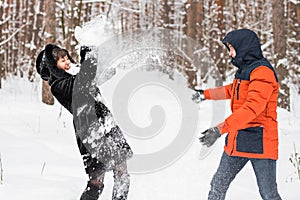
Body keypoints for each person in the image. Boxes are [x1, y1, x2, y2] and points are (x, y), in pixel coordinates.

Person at [192, 29, 282, 200]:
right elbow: (232, 90)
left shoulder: (263, 72)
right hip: (239, 139)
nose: (230, 54)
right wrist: (205, 94)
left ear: (244, 47)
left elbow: (251, 109)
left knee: (268, 194)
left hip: (261, 142)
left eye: (232, 48)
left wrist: (219, 130)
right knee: (218, 185)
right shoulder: (245, 71)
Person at [36, 44, 133, 200]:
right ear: (52, 68)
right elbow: (84, 79)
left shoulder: (75, 74)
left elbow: (93, 75)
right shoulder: (58, 86)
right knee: (97, 180)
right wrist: (88, 52)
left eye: (66, 57)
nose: (67, 62)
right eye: (62, 61)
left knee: (122, 170)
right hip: (90, 133)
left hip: (106, 125)